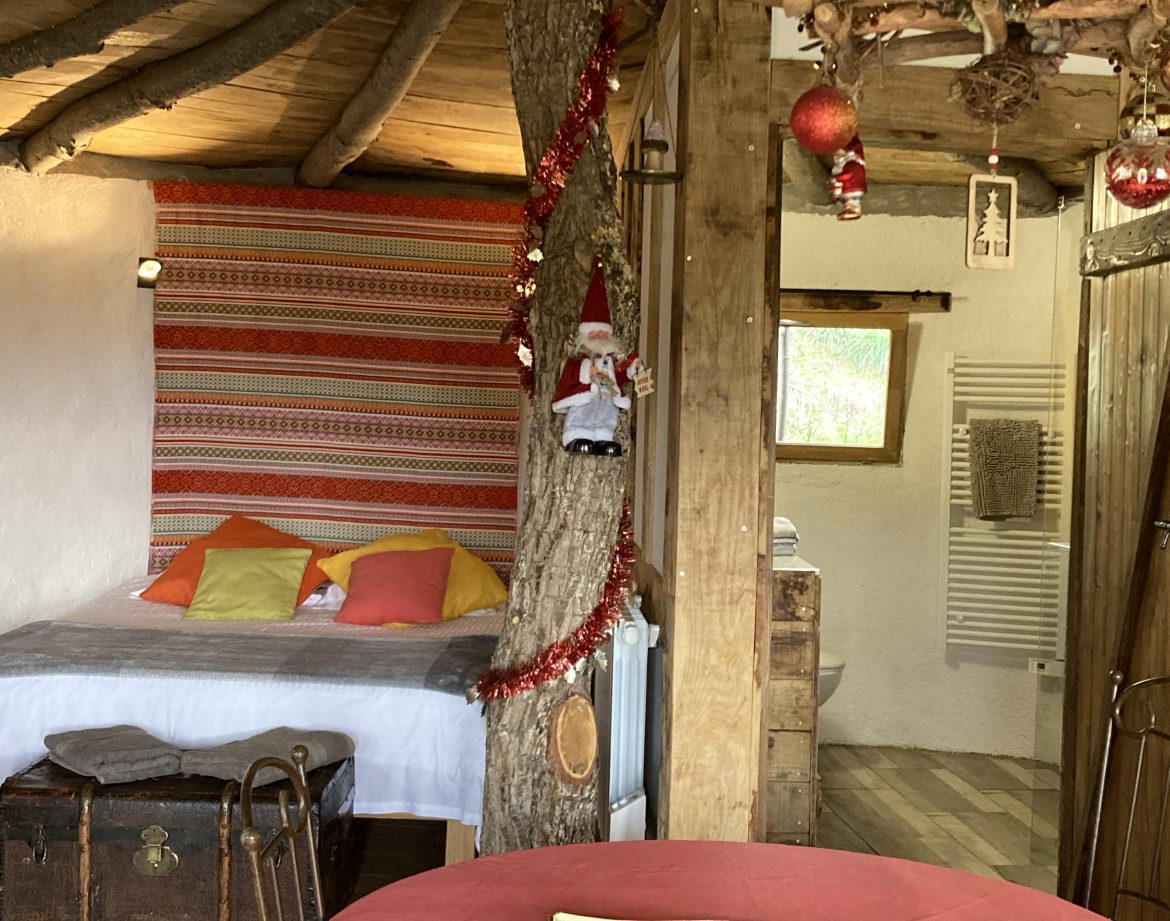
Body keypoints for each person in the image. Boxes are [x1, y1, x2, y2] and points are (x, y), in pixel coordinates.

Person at [551, 261, 642, 456]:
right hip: (587, 397)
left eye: (603, 333)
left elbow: (618, 378)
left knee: (605, 416)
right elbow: (570, 373)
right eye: (595, 333)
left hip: (606, 399)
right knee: (583, 413)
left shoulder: (609, 362)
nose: (600, 337)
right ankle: (577, 436)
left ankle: (603, 438)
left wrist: (630, 369)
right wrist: (587, 372)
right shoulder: (579, 362)